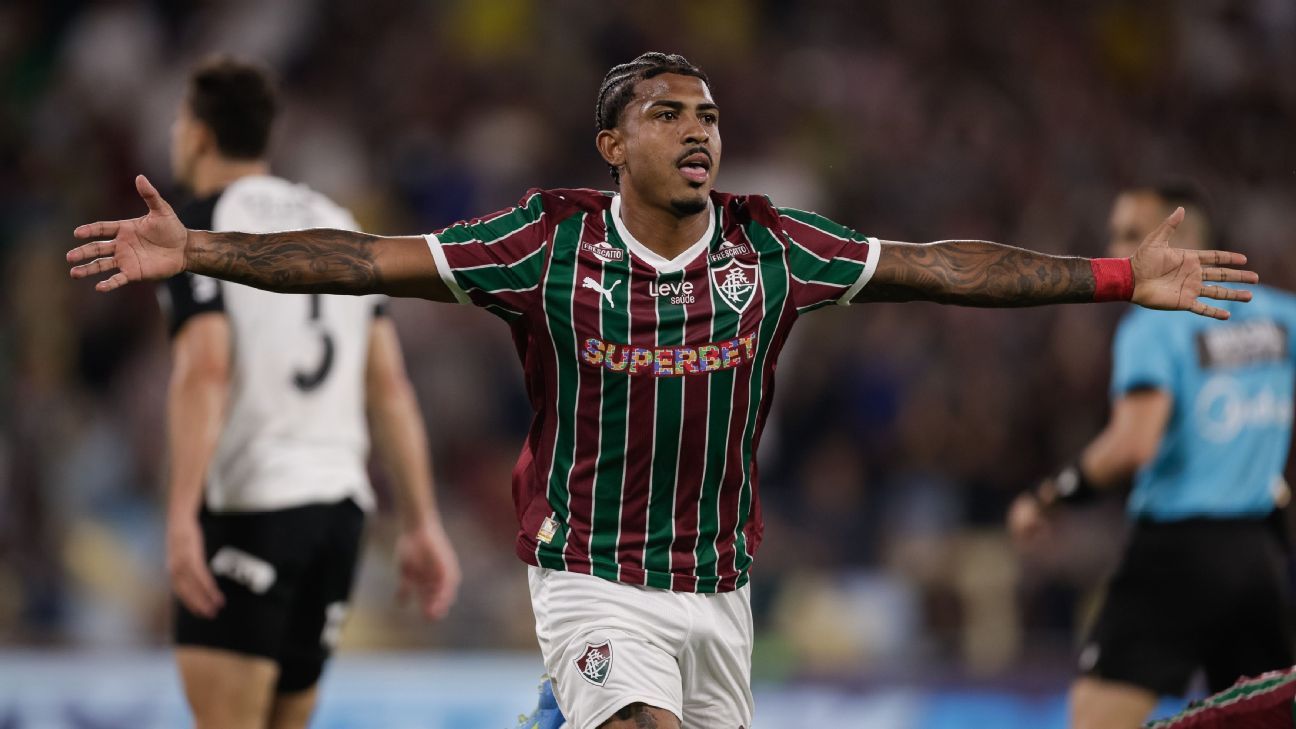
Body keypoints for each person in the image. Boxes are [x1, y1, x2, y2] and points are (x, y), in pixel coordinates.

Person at [68, 52, 1255, 729]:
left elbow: (943, 269)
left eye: (711, 116)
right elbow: (366, 259)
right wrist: (200, 250)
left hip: (719, 592)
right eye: (669, 114)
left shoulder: (772, 247)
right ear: (611, 143)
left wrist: (1116, 278)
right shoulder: (547, 243)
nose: (700, 132)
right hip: (592, 575)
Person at [155, 57, 460, 729]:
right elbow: (389, 385)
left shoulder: (198, 228)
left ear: (199, 135)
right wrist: (421, 521)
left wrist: (179, 516)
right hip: (338, 514)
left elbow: (205, 369)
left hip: (252, 503)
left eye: (179, 122)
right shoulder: (335, 222)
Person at [1008, 185, 1295, 729]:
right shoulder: (1282, 316)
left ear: (1182, 240)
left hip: (1175, 555)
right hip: (1258, 557)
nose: (1115, 250)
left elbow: (1133, 444)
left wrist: (1050, 495)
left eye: (1132, 235)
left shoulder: (1154, 324)